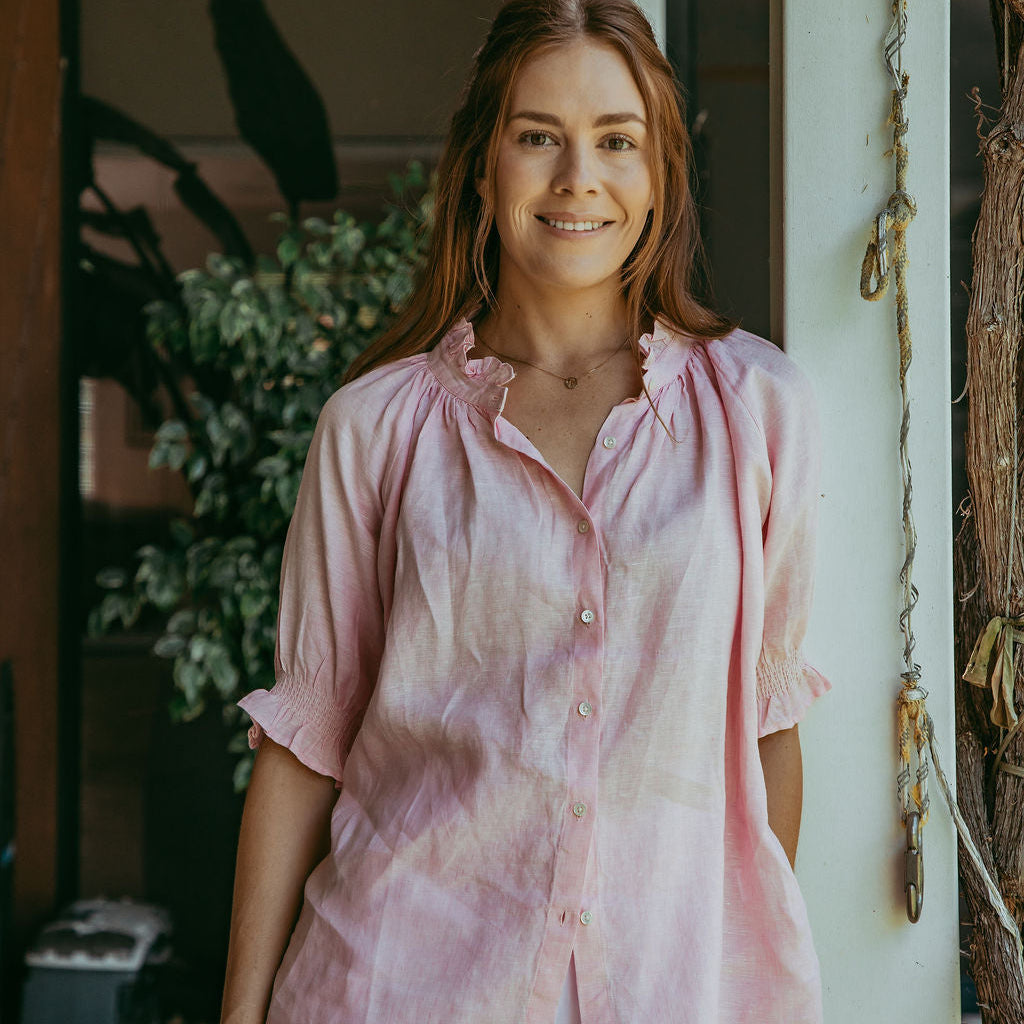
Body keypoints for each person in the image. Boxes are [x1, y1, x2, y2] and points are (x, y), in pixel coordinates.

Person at [220, 1, 830, 1022]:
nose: (576, 177)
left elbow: (766, 731)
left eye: (616, 141)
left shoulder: (759, 411)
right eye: (537, 136)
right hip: (398, 983)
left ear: (660, 174)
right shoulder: (375, 430)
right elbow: (303, 746)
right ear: (481, 164)